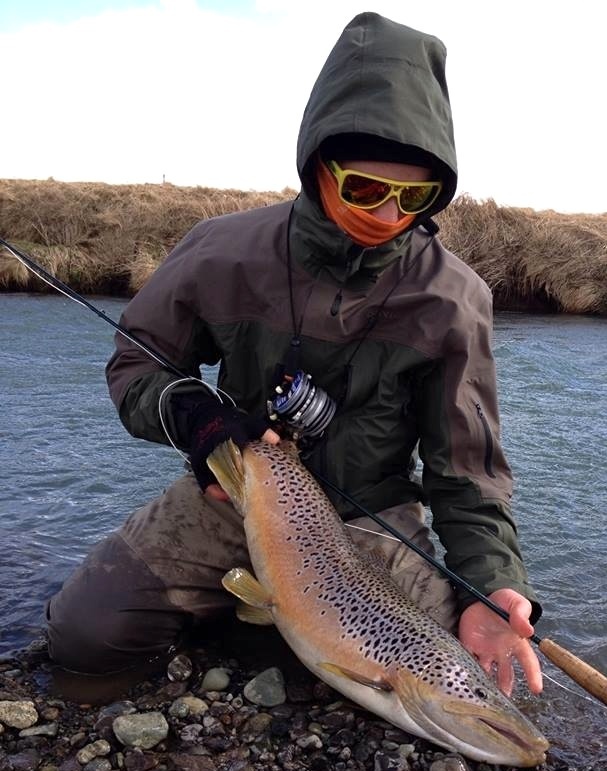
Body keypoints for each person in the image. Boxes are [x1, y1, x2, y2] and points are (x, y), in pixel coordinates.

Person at [46, 11, 543, 698]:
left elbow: (467, 472)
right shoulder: (219, 252)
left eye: (414, 197)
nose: (388, 215)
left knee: (462, 680)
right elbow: (138, 365)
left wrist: (495, 584)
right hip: (239, 493)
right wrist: (193, 417)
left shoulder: (454, 299)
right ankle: (258, 619)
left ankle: (259, 624)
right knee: (83, 638)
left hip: (372, 517)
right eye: (366, 189)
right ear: (318, 167)